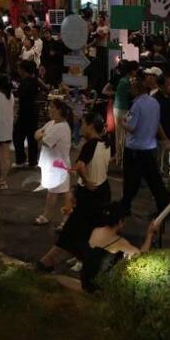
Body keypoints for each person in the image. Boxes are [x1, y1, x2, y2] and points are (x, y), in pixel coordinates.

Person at [36, 111, 112, 270]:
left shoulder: (90, 144)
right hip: (102, 190)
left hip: (91, 194)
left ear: (91, 126)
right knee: (85, 228)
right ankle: (79, 258)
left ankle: (49, 260)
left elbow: (80, 166)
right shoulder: (106, 142)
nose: (81, 127)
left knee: (73, 228)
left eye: (83, 124)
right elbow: (104, 161)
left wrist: (85, 180)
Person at [119, 77, 170, 216]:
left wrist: (122, 122)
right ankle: (163, 207)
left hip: (135, 149)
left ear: (137, 89)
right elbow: (157, 122)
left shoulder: (136, 105)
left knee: (130, 181)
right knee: (155, 181)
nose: (130, 91)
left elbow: (132, 127)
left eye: (132, 88)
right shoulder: (154, 102)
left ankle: (125, 207)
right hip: (150, 147)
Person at [80, 203, 160, 292]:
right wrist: (149, 234)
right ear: (120, 222)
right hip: (99, 285)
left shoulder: (95, 231)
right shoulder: (120, 242)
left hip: (85, 279)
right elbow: (141, 256)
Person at [33, 98, 72, 227]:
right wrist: (41, 135)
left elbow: (43, 141)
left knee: (59, 192)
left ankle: (51, 217)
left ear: (60, 110)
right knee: (60, 192)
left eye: (53, 107)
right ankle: (61, 218)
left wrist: (41, 135)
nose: (50, 109)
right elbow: (36, 134)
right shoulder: (51, 123)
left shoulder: (61, 127)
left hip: (58, 166)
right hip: (51, 164)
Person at [103, 60, 138, 168]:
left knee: (121, 135)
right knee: (121, 136)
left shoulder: (124, 80)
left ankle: (120, 160)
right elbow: (133, 95)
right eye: (136, 70)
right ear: (132, 70)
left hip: (121, 109)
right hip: (122, 110)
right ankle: (121, 161)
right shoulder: (126, 82)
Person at [13, 60, 45, 168]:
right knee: (32, 138)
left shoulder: (25, 82)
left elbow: (22, 98)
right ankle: (33, 160)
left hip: (25, 112)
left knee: (18, 137)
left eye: (19, 68)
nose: (18, 70)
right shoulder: (35, 80)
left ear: (23, 70)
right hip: (34, 112)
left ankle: (20, 159)